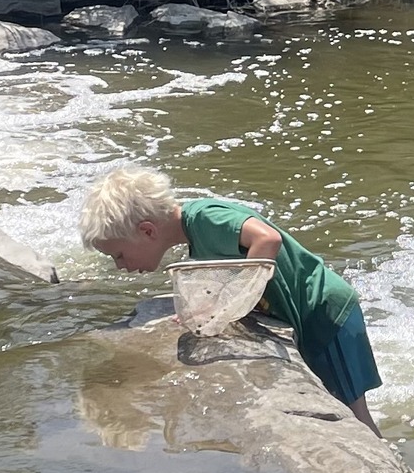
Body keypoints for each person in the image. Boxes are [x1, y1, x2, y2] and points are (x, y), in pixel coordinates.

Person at [80, 167, 382, 430]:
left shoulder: (206, 218)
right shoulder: (196, 235)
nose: (120, 265)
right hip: (309, 314)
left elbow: (267, 239)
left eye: (118, 255)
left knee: (352, 412)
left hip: (324, 311)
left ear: (147, 230)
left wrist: (230, 304)